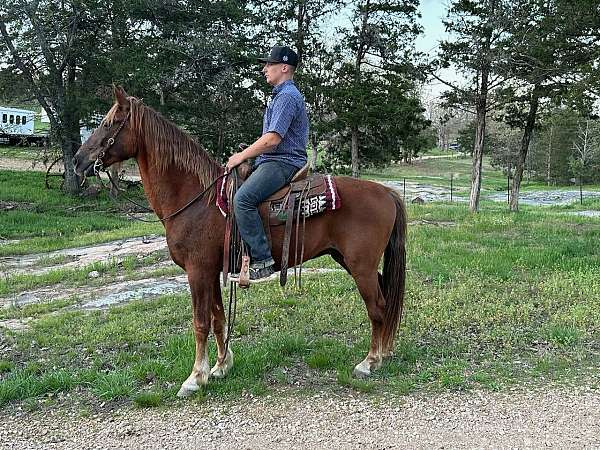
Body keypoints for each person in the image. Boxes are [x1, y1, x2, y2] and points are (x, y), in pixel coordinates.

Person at [226, 45, 309, 280]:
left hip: (283, 162)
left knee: (242, 200)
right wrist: (250, 152)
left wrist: (242, 157)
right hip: (272, 159)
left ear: (284, 67)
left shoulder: (287, 97)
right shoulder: (279, 96)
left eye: (269, 65)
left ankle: (263, 260)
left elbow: (273, 139)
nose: (264, 69)